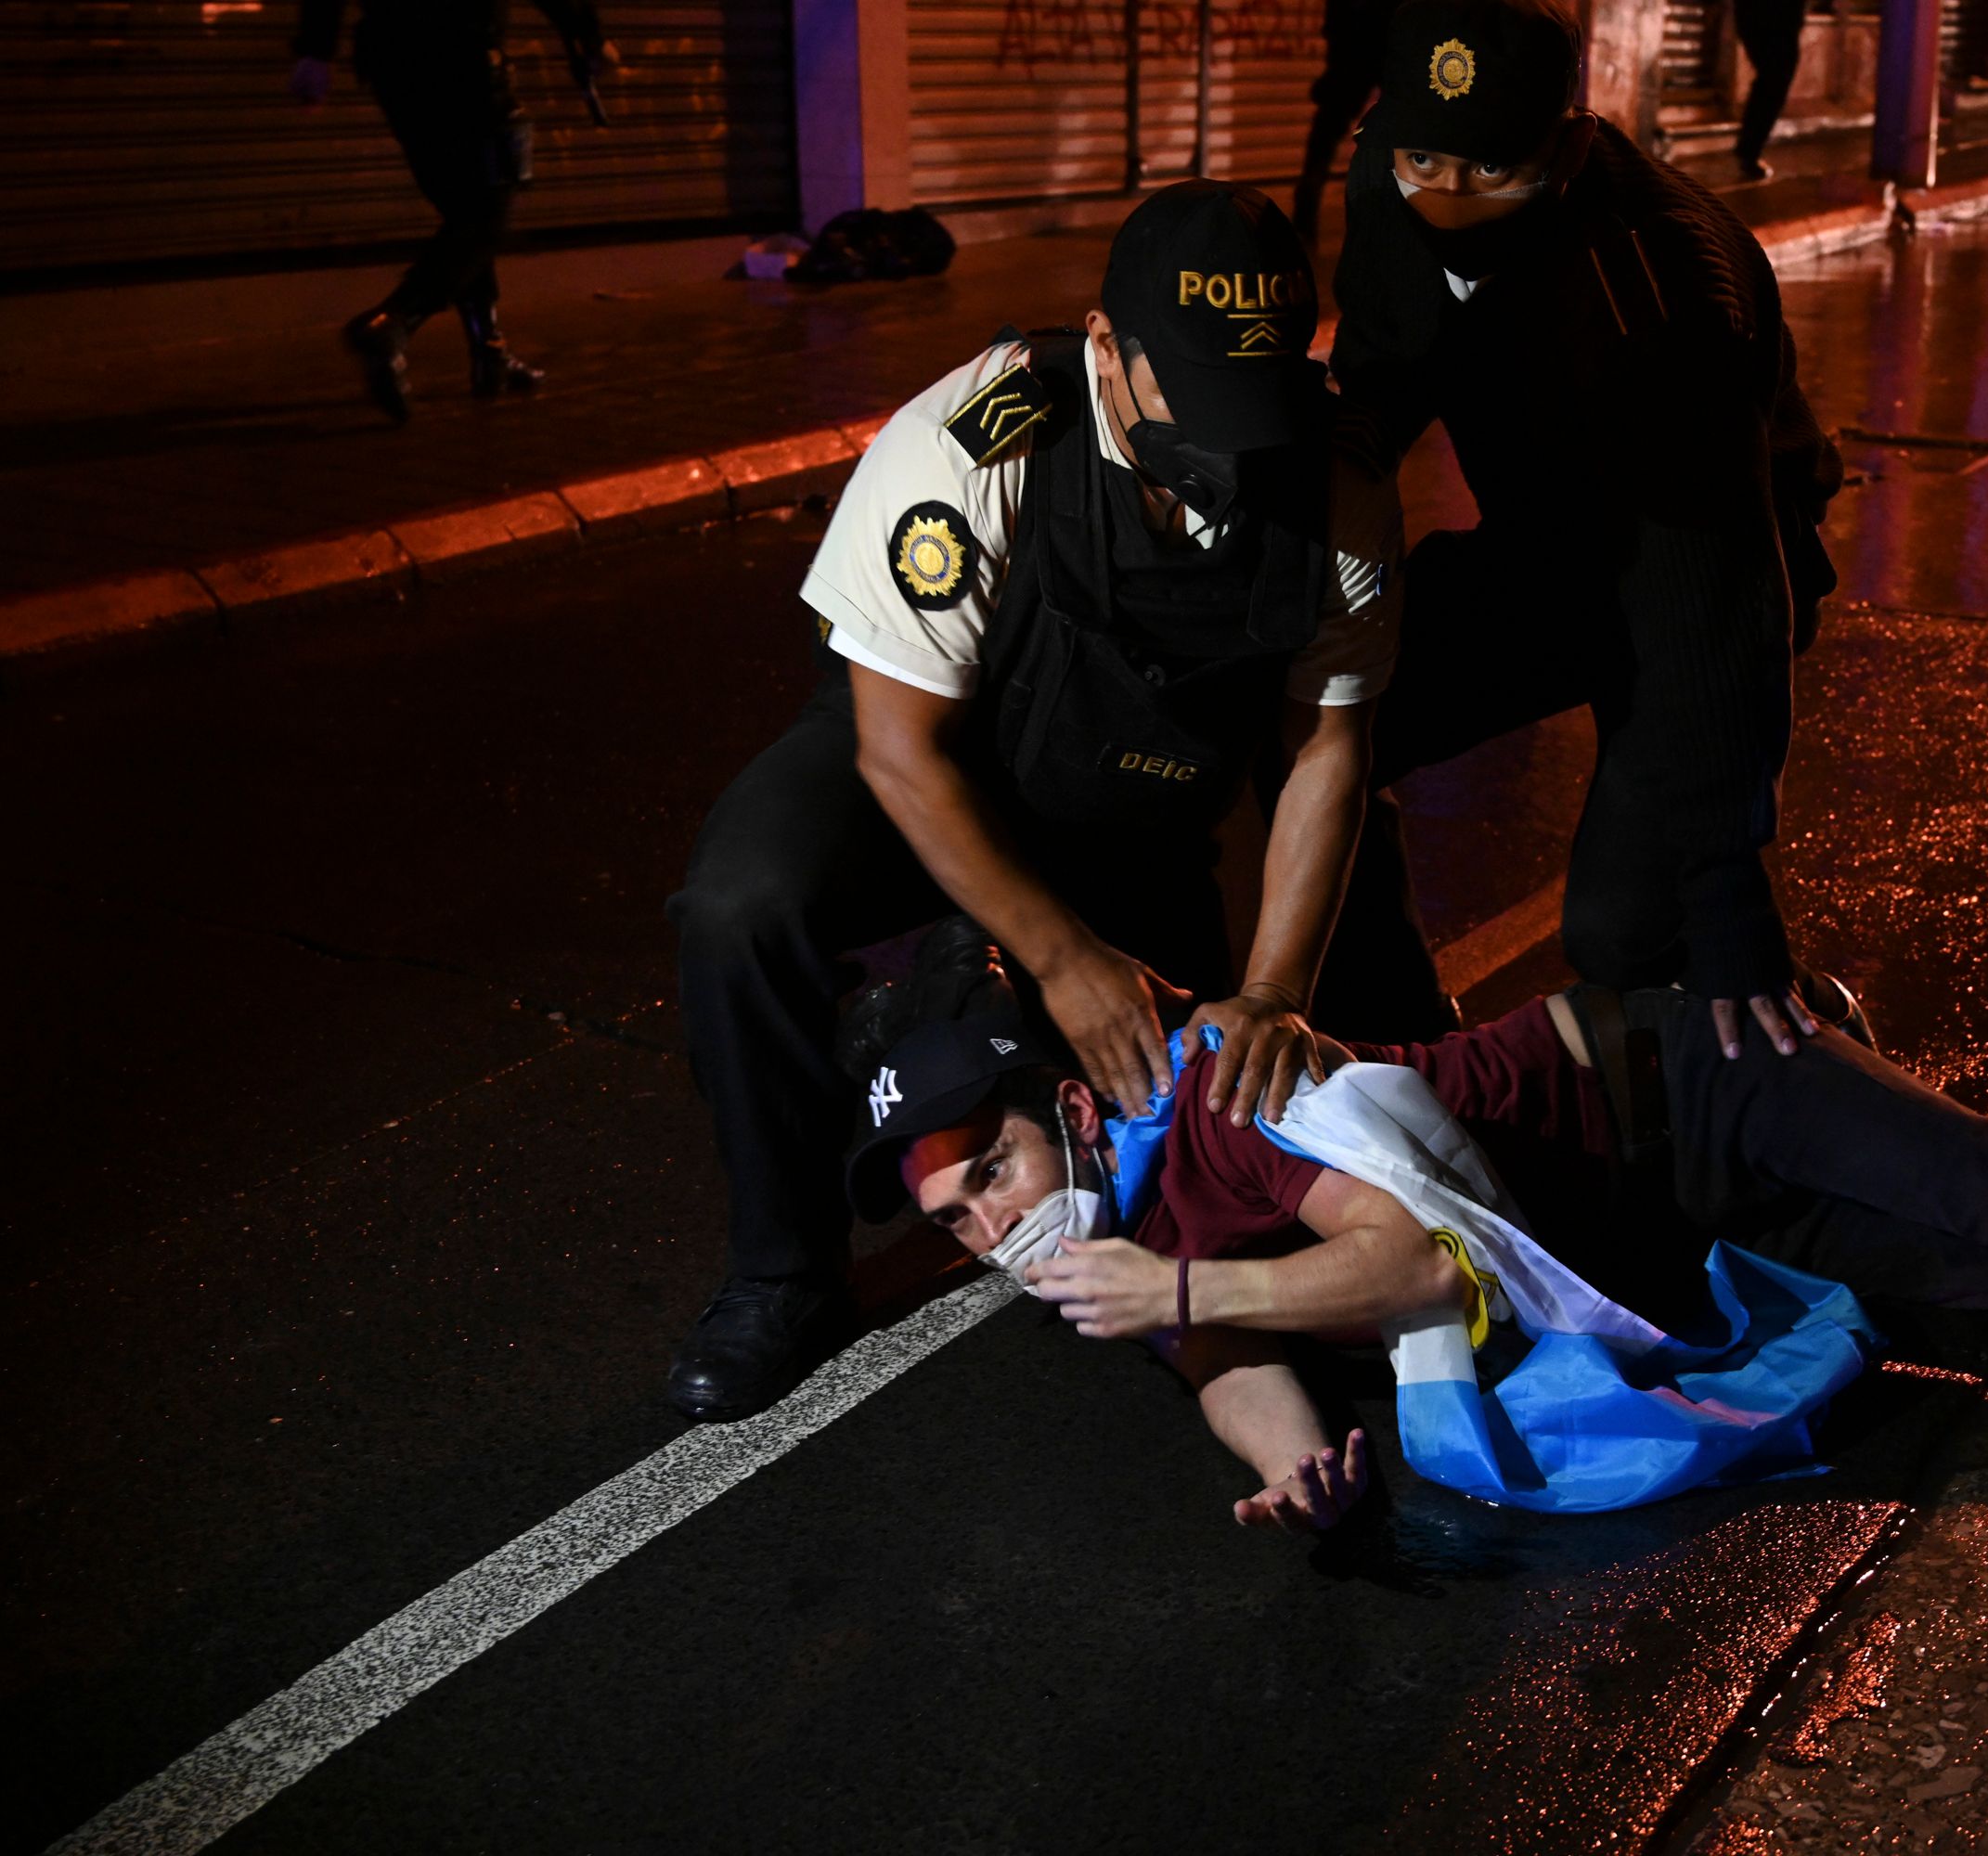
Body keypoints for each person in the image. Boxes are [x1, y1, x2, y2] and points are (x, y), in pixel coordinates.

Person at [662, 181, 1404, 1422]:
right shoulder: (977, 438)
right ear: (1107, 349)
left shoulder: (1336, 484)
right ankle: (782, 1272)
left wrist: (1274, 994)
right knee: (740, 907)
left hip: (1126, 805)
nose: (1224, 442)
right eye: (1191, 399)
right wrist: (1058, 957)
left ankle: (948, 992)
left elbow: (1325, 749)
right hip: (926, 760)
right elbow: (900, 752)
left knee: (1186, 1169)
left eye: (1251, 399)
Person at [841, 986, 1988, 1527]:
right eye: (956, 1225)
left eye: (991, 1170)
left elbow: (1418, 1270)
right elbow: (1223, 1369)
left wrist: (1189, 1292)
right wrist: (1298, 1481)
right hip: (1687, 1220)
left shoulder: (1209, 1117)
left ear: (1062, 1108)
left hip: (1697, 1071)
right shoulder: (1116, 1246)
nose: (993, 1226)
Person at [1323, 0, 1849, 1063]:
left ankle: (1806, 1047)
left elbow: (1716, 604)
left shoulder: (1661, 296)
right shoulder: (1394, 174)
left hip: (1709, 555)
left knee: (1624, 930)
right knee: (1316, 733)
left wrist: (1727, 886)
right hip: (1545, 548)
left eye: (1487, 172)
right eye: (1427, 158)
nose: (1448, 201)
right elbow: (1388, 360)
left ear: (1567, 147)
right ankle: (1410, 1059)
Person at [290, 0, 608, 420]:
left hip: (395, 67)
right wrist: (589, 34)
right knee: (487, 213)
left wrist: (315, 51)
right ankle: (394, 323)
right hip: (465, 58)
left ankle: (489, 349)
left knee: (465, 210)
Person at [1294, 0, 1400, 251]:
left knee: (1325, 144)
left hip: (1352, 65)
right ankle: (1306, 217)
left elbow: (1334, 27)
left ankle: (1305, 219)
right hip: (1359, 64)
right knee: (1331, 143)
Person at [1731, 0, 1808, 182]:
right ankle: (1749, 149)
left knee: (1771, 80)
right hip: (1775, 20)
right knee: (1774, 80)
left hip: (1761, 17)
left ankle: (1749, 148)